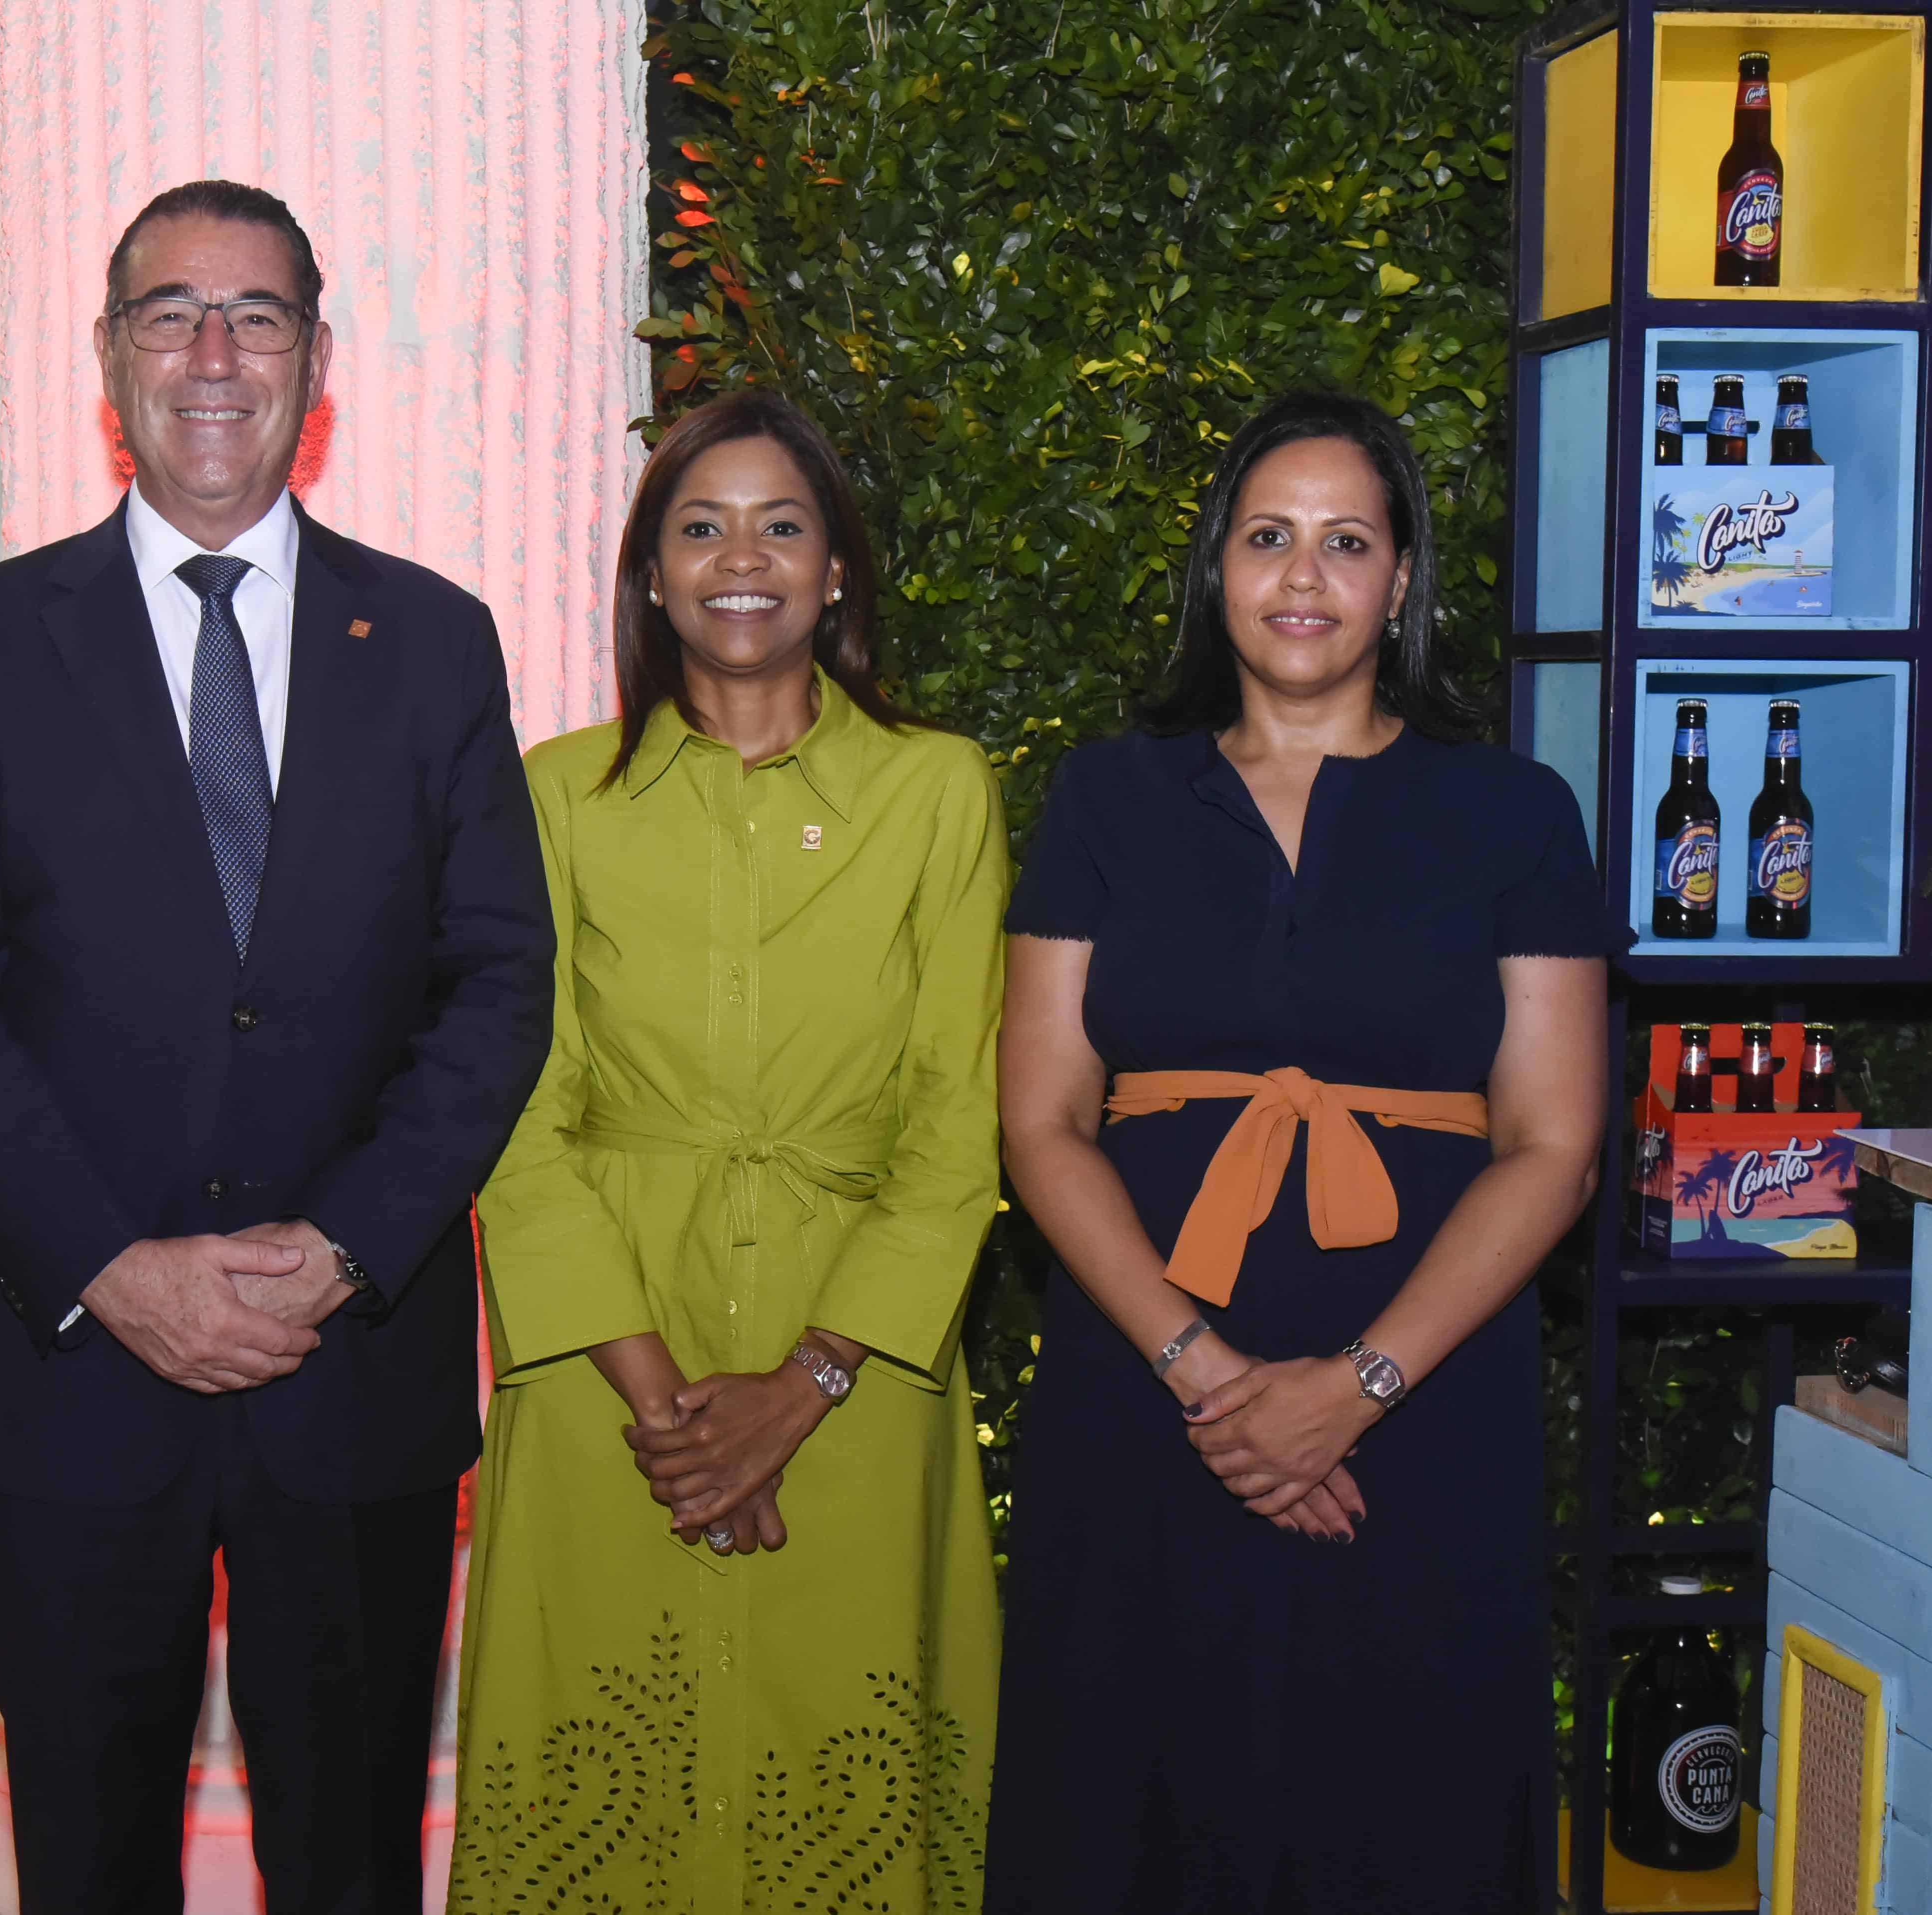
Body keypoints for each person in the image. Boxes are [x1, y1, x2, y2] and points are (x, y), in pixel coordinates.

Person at [0, 178, 555, 1914]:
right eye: (170, 311)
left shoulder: (437, 641)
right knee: (87, 1865)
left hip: (352, 1377)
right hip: (73, 1381)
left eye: (255, 315)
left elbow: (497, 985)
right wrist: (114, 1267)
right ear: (108, 358)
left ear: (314, 360)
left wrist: (340, 1250)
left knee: (351, 1868)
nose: (213, 352)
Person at [983, 391, 1610, 1914]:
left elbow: (1554, 1142)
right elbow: (1038, 1120)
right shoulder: (1104, 796)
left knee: (1402, 1806)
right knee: (1130, 1794)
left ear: (1400, 580)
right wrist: (1206, 1376)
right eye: (1267, 538)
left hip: (1426, 1407)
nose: (1302, 578)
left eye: (1346, 541)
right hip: (1145, 1391)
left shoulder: (1513, 813)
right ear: (1217, 570)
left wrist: (1357, 1388)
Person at [449, 390, 1008, 1912]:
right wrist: (674, 1415)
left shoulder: (936, 790)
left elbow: (961, 1124)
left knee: (842, 1758)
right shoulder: (556, 796)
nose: (739, 557)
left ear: (836, 573)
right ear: (647, 575)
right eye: (699, 526)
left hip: (862, 1365)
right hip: (601, 1363)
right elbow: (515, 1108)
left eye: (782, 524)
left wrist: (804, 1383)